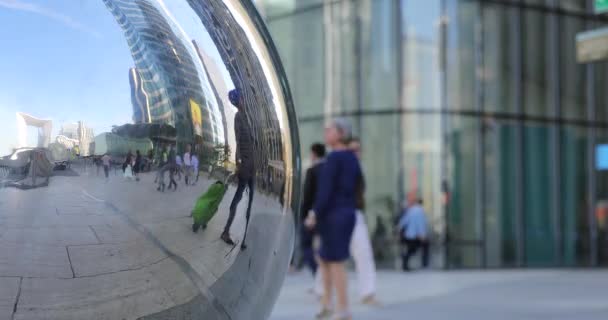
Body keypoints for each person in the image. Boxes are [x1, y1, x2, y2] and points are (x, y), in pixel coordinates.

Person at [307, 119, 361, 320]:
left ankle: (343, 309)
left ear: (340, 134)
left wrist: (314, 213)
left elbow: (325, 190)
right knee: (326, 259)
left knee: (335, 262)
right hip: (345, 213)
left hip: (333, 215)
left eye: (330, 129)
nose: (326, 132)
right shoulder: (352, 158)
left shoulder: (335, 158)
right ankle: (327, 304)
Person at [221, 89, 255, 250]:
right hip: (245, 164)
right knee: (238, 197)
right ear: (237, 101)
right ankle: (226, 231)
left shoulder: (247, 117)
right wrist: (239, 163)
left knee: (250, 201)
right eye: (242, 98)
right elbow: (238, 139)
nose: (244, 100)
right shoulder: (239, 117)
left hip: (252, 165)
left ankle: (244, 237)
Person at [347, 138, 379, 305]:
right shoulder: (341, 166)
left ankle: (368, 293)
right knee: (329, 256)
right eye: (352, 150)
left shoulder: (359, 168)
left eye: (358, 149)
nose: (356, 153)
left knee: (364, 253)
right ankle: (323, 292)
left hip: (355, 214)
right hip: (339, 216)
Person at [300, 143, 326, 286]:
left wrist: (304, 215)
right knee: (323, 247)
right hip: (325, 214)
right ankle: (321, 281)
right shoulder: (329, 169)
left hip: (311, 215)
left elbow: (308, 195)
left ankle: (319, 276)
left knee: (306, 246)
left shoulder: (312, 170)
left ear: (314, 154)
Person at [398, 192, 430, 271]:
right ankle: (424, 263)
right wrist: (422, 234)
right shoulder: (419, 211)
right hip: (416, 235)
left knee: (412, 249)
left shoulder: (411, 210)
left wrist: (398, 228)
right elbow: (420, 223)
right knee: (420, 247)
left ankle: (406, 264)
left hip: (409, 235)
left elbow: (404, 221)